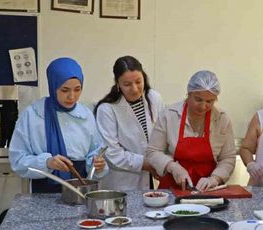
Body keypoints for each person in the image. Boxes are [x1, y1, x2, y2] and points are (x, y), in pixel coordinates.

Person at [9, 57, 107, 193]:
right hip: (43, 193)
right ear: (53, 86)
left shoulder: (86, 115)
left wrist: (97, 164)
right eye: (65, 90)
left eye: (77, 89)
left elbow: (95, 152)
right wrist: (47, 162)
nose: (72, 96)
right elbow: (17, 161)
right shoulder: (33, 115)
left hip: (80, 190)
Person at [146, 70, 236, 192]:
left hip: (207, 191)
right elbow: (153, 152)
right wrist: (172, 167)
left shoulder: (221, 119)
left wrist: (214, 179)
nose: (203, 106)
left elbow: (228, 157)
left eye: (209, 101)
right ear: (188, 94)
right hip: (172, 188)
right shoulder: (169, 116)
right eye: (198, 99)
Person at [95, 56, 165, 191]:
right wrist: (147, 164)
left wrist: (162, 162)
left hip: (150, 180)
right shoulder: (107, 109)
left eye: (138, 81)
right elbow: (112, 153)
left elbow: (164, 136)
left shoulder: (154, 98)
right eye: (127, 84)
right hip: (121, 184)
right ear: (118, 84)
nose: (134, 89)